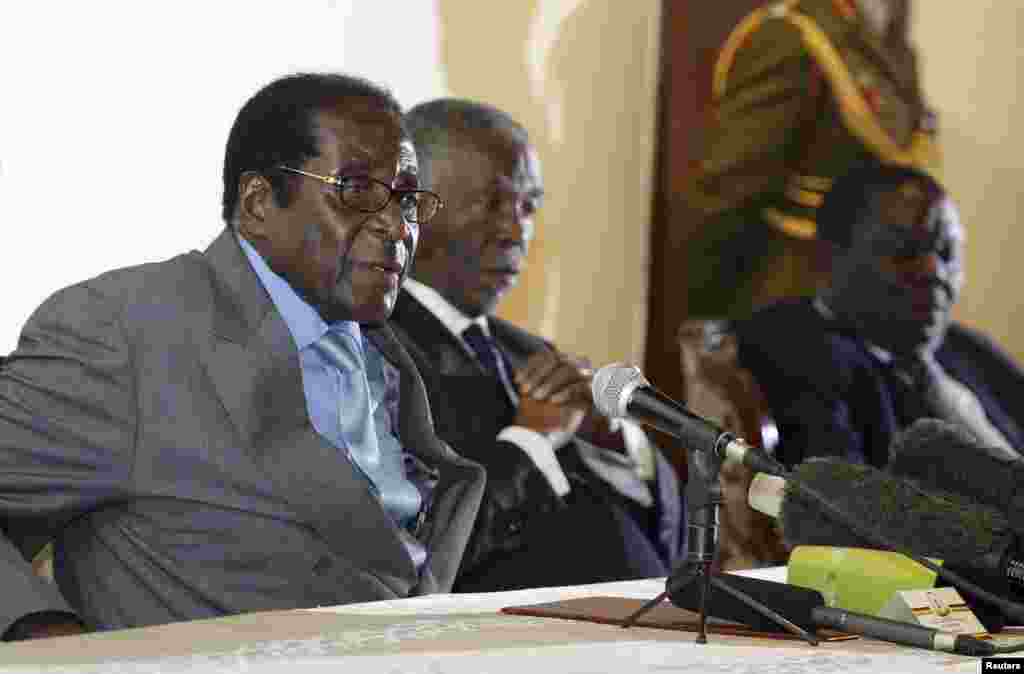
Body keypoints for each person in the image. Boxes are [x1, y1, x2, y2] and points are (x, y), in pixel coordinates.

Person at [0, 73, 485, 639]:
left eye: (406, 197)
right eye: (356, 190)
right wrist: (36, 628)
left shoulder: (387, 353)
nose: (397, 225)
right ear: (258, 202)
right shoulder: (125, 331)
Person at [392, 98, 685, 592]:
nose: (516, 231)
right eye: (492, 203)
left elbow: (677, 543)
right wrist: (533, 439)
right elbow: (427, 553)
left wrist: (608, 434)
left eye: (528, 205)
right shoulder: (380, 352)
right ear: (415, 206)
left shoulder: (529, 352)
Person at [736, 163, 1024, 470]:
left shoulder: (968, 348)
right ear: (827, 256)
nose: (934, 272)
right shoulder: (796, 353)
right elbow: (839, 504)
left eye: (947, 252)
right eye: (904, 251)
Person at [683, 0, 940, 320]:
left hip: (876, 306)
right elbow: (724, 199)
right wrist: (709, 332)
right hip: (800, 306)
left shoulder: (891, 38)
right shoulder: (789, 37)